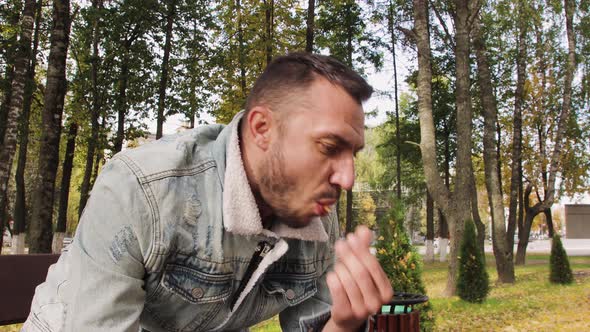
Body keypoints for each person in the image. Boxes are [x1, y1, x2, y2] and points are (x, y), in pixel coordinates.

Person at [24, 53, 393, 332]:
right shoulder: (142, 190)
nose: (347, 178)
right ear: (262, 129)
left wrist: (343, 325)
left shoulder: (314, 218)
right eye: (330, 147)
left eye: (353, 154)